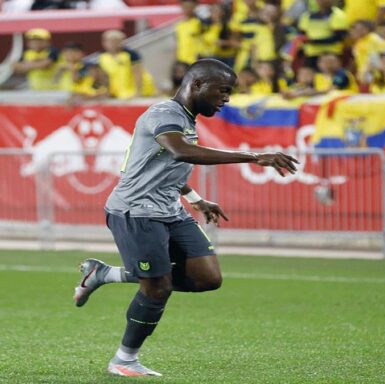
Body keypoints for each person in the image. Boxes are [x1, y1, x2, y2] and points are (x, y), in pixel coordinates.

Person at [72, 58, 299, 377]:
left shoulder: (185, 118)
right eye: (223, 91)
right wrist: (253, 156)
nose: (227, 99)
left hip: (169, 210)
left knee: (207, 278)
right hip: (136, 211)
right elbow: (180, 151)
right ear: (196, 85)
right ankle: (124, 360)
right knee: (157, 288)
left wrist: (196, 199)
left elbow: (166, 166)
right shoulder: (164, 113)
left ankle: (104, 274)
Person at [98, 29, 157, 99]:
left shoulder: (131, 54)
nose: (112, 44)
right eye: (109, 41)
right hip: (118, 93)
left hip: (137, 91)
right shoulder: (103, 57)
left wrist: (138, 92)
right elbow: (105, 76)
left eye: (115, 41)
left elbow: (137, 73)